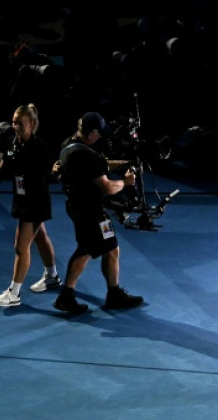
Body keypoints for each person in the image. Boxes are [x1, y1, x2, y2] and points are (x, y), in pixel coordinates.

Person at [52, 112, 143, 314]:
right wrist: (126, 182)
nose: (101, 137)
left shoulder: (70, 144)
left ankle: (104, 294)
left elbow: (99, 164)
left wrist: (126, 162)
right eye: (99, 133)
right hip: (91, 211)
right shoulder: (85, 155)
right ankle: (100, 295)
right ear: (92, 132)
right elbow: (108, 187)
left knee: (98, 248)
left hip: (77, 206)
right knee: (95, 249)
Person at [0, 104, 62, 307]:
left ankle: (14, 293)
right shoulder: (14, 142)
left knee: (20, 247)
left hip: (35, 203)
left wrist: (56, 172)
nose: (15, 126)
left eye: (20, 123)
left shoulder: (39, 149)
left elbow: (52, 176)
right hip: (23, 199)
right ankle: (52, 276)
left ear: (32, 124)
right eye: (14, 122)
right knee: (40, 237)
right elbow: (3, 167)